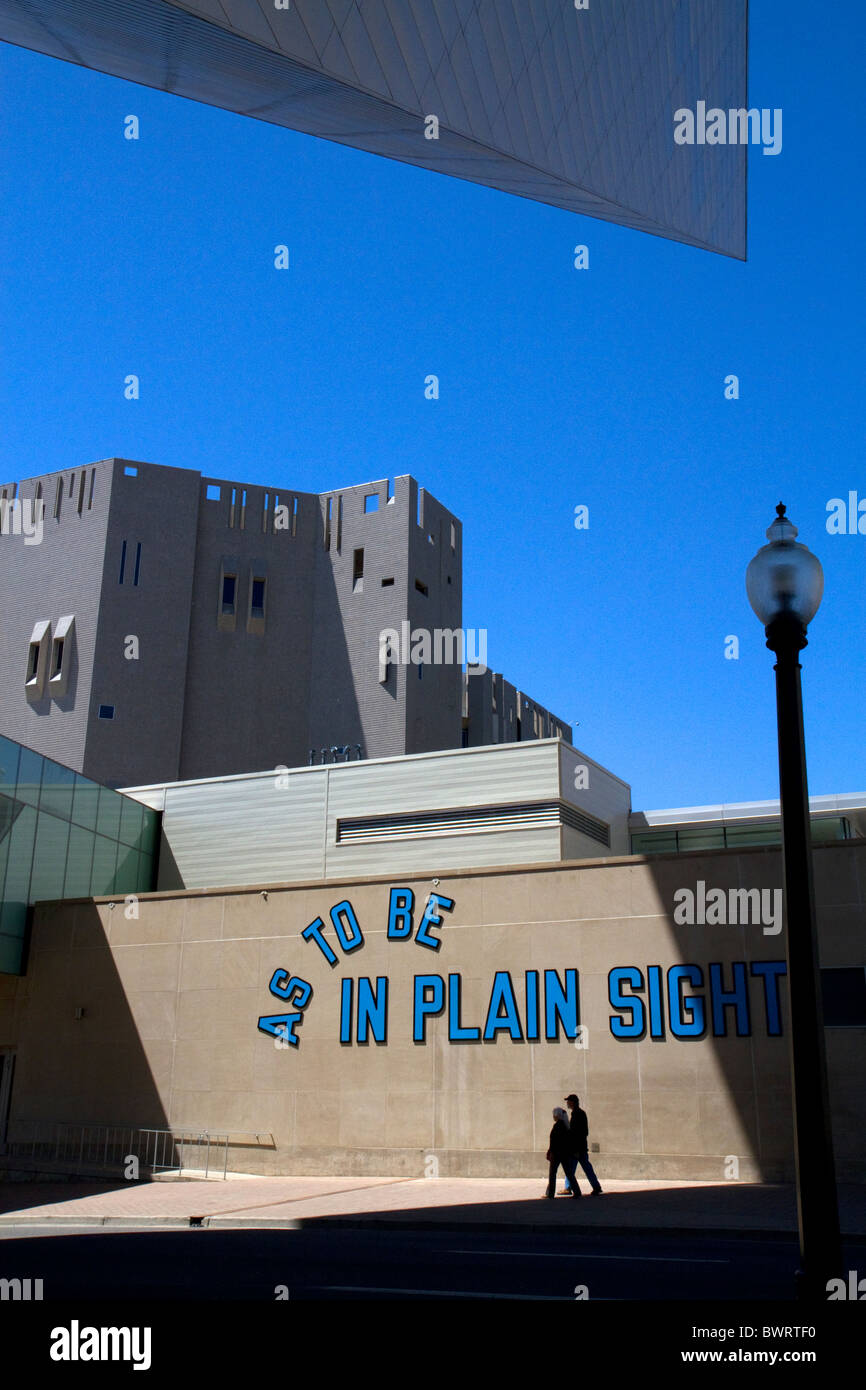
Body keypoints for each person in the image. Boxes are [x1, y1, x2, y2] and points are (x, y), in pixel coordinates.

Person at [564, 1093, 603, 1195]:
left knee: (570, 1168)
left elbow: (579, 1133)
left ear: (572, 1102)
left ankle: (568, 1188)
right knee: (585, 1168)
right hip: (581, 1147)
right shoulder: (579, 1113)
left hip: (577, 1148)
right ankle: (596, 1186)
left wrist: (576, 1149)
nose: (567, 1103)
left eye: (568, 1101)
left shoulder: (577, 1114)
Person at [545, 1107, 580, 1199]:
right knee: (569, 1173)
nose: (553, 1116)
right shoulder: (565, 1126)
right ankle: (577, 1191)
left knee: (552, 1174)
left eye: (554, 1115)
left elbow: (554, 1141)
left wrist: (550, 1152)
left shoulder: (557, 1126)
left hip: (556, 1154)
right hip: (564, 1154)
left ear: (557, 1115)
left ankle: (550, 1193)